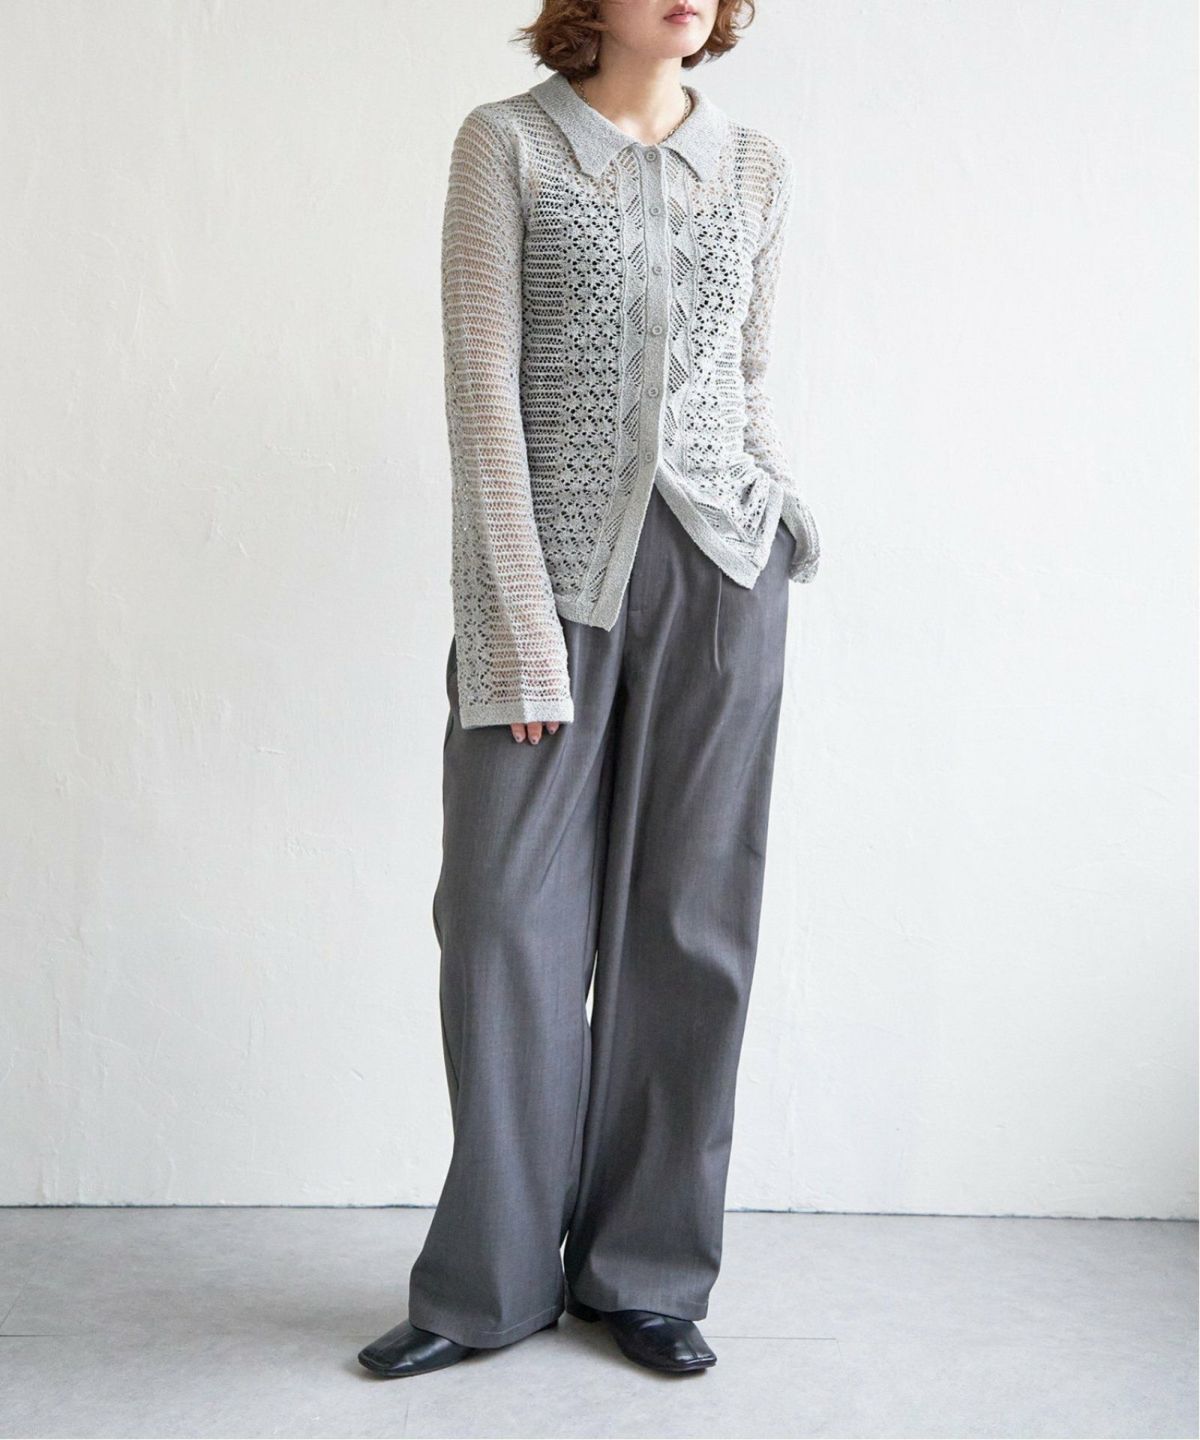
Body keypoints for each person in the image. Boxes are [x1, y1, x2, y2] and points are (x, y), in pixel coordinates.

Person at [358, 0, 820, 1379]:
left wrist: (779, 509)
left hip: (723, 579)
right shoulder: (506, 145)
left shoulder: (756, 165)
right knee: (504, 921)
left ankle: (648, 1274)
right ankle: (488, 1285)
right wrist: (514, 625)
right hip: (555, 580)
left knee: (692, 927)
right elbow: (480, 391)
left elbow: (743, 374)